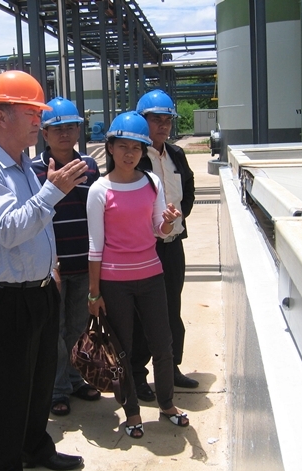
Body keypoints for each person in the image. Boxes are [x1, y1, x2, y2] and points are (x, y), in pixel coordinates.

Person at [0, 71, 89, 471]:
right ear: (1, 117)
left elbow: (38, 227)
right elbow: (10, 230)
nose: (39, 121)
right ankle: (2, 469)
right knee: (7, 391)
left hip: (39, 290)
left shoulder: (23, 166)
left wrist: (50, 267)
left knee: (39, 380)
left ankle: (34, 446)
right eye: (31, 113)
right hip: (5, 298)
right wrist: (54, 191)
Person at [86, 111, 190, 439]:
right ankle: (131, 411)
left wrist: (169, 222)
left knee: (163, 344)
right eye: (123, 146)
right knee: (124, 350)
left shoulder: (151, 183)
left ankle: (167, 404)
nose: (129, 153)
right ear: (110, 148)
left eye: (136, 148)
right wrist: (94, 293)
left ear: (143, 151)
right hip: (114, 282)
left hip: (151, 276)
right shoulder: (99, 190)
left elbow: (159, 229)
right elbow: (95, 247)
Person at [31, 97, 102, 416]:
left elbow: (98, 214)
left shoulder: (90, 166)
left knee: (77, 328)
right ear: (44, 133)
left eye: (71, 127)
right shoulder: (33, 170)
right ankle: (57, 389)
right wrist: (49, 263)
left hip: (84, 263)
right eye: (57, 128)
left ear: (78, 131)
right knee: (55, 332)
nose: (65, 133)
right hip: (53, 269)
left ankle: (75, 380)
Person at [131, 89, 198, 403]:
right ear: (143, 120)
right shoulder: (133, 156)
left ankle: (171, 369)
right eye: (156, 119)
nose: (163, 125)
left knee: (172, 308)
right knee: (141, 313)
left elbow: (189, 190)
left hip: (172, 245)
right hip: (145, 249)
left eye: (167, 119)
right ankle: (137, 374)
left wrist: (177, 219)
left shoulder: (176, 155)